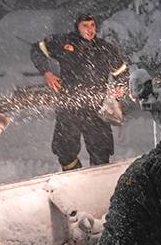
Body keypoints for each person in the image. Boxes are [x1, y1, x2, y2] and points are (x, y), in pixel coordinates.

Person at [31, 14, 128, 171]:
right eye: (85, 25)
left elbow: (122, 71)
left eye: (92, 25)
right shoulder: (65, 43)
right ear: (77, 27)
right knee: (65, 152)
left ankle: (96, 185)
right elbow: (37, 49)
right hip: (70, 106)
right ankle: (74, 182)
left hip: (97, 108)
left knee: (101, 153)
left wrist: (121, 87)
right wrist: (46, 72)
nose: (90, 29)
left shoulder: (104, 48)